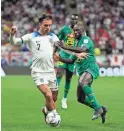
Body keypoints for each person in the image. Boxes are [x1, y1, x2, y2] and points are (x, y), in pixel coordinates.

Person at [9, 13, 60, 121]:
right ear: (40, 24)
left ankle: (46, 110)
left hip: (50, 71)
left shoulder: (53, 36)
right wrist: (12, 35)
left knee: (54, 97)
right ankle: (55, 116)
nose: (48, 28)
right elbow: (15, 42)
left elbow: (61, 46)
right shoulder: (31, 36)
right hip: (38, 72)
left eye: (50, 25)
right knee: (48, 94)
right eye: (46, 25)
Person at [54, 22, 108, 123]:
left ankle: (97, 109)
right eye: (74, 30)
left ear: (82, 31)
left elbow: (82, 49)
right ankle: (102, 109)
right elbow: (71, 60)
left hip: (91, 68)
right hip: (82, 72)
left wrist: (65, 47)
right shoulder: (75, 43)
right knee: (80, 98)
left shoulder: (86, 40)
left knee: (83, 82)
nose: (75, 32)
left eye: (78, 30)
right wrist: (59, 58)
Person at [55, 14, 79, 109]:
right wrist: (53, 53)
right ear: (70, 20)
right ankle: (54, 96)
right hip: (62, 55)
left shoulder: (80, 32)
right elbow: (57, 41)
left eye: (75, 19)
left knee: (68, 79)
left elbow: (83, 45)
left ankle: (64, 99)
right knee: (59, 74)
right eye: (72, 19)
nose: (74, 21)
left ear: (77, 21)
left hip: (72, 58)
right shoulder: (64, 30)